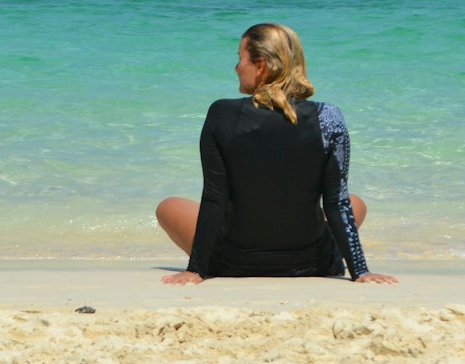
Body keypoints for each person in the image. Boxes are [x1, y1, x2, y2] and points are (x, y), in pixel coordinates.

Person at [157, 23, 397, 285]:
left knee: (167, 206)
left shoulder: (221, 113)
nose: (236, 67)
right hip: (314, 263)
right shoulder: (329, 117)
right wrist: (360, 271)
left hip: (232, 263)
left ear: (260, 66)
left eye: (240, 58)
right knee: (354, 201)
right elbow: (336, 201)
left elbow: (215, 198)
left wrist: (196, 270)